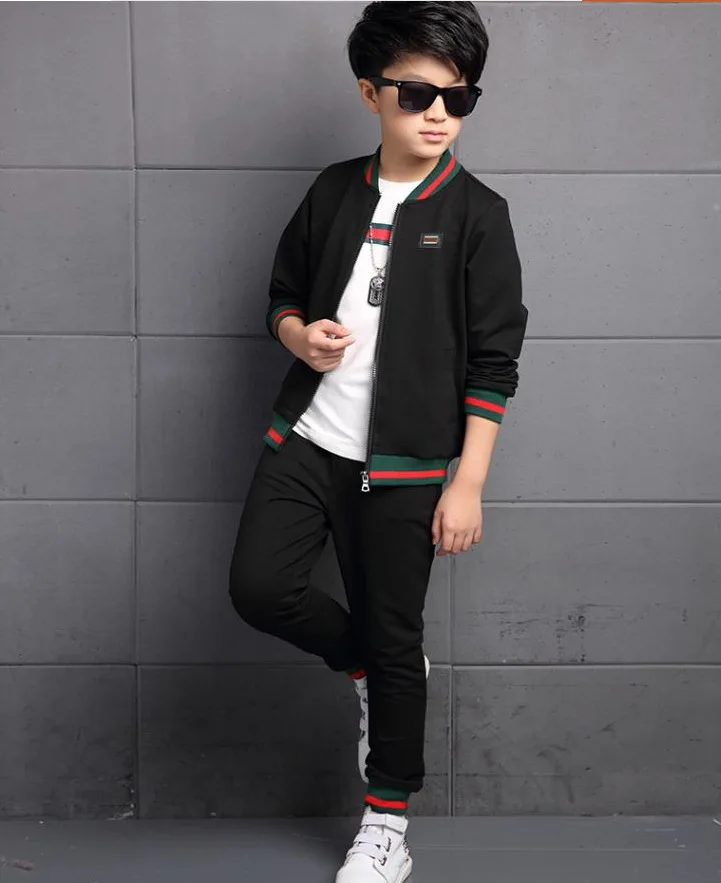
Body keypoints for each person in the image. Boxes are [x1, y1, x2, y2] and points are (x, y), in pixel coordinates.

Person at [228, 2, 528, 880]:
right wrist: (298, 336)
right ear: (371, 94)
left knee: (399, 638)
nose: (438, 114)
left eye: (457, 98)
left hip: (405, 470)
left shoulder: (478, 213)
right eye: (416, 94)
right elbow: (282, 295)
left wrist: (465, 482)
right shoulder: (333, 190)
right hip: (306, 439)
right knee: (260, 588)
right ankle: (364, 661)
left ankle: (387, 824)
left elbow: (494, 364)